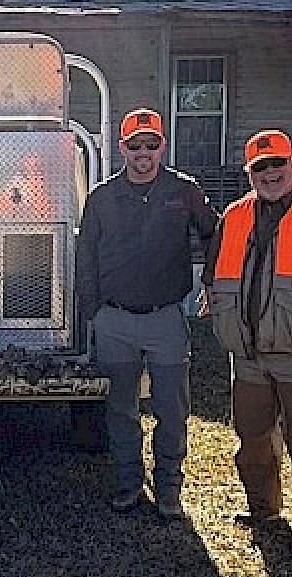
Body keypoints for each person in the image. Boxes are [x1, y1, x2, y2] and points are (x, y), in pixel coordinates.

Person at [201, 130, 292, 550]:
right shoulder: (234, 215)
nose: (270, 173)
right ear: (249, 173)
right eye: (260, 168)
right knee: (252, 437)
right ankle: (262, 508)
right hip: (249, 355)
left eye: (277, 164)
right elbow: (213, 273)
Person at [76, 108, 219, 519]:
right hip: (114, 321)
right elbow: (85, 254)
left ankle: (169, 488)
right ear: (122, 148)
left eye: (151, 144)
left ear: (162, 146)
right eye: (135, 145)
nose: (144, 152)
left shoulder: (184, 191)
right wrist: (93, 310)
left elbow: (216, 232)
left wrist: (210, 280)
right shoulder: (102, 197)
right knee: (121, 409)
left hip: (166, 319)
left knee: (171, 409)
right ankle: (128, 484)